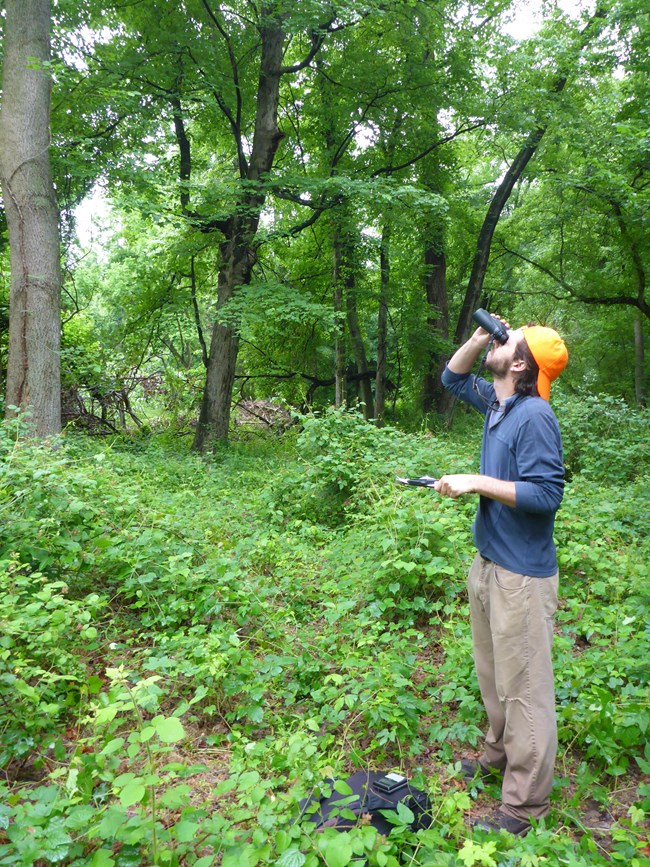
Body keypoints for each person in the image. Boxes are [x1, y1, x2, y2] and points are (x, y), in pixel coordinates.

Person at [434, 315, 568, 835]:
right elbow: (450, 379)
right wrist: (477, 338)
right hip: (489, 563)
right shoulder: (499, 404)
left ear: (518, 364)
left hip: (521, 577)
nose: (496, 341)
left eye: (504, 341)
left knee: (524, 687)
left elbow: (546, 495)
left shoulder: (534, 416)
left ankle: (524, 807)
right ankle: (497, 754)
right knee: (493, 677)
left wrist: (478, 483)